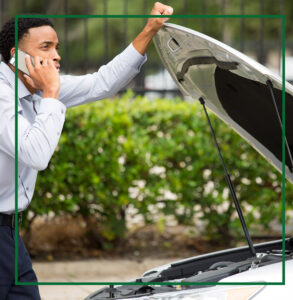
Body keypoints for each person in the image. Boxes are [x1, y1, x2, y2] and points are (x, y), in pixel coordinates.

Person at [0, 2, 173, 299]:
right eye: (46, 47)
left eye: (57, 47)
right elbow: (35, 154)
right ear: (18, 55)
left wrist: (149, 31)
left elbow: (101, 83)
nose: (57, 56)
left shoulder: (35, 87)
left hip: (9, 234)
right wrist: (53, 93)